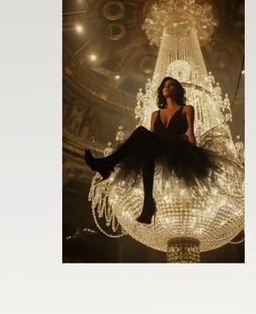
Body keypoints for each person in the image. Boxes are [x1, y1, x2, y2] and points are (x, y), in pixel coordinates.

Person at [83, 76, 211, 224]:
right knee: (145, 146)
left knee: (140, 132)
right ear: (161, 91)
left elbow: (190, 134)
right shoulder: (155, 114)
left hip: (176, 148)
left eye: (171, 85)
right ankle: (148, 205)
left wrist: (192, 156)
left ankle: (107, 165)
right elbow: (150, 135)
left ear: (178, 90)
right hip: (158, 148)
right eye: (164, 85)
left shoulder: (187, 109)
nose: (167, 87)